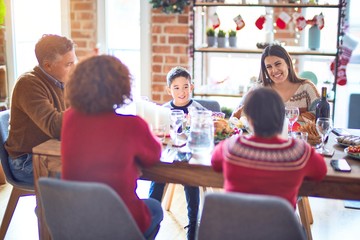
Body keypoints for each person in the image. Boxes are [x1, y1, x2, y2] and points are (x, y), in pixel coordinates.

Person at [61, 55, 163, 239]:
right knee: (155, 207)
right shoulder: (132, 125)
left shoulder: (69, 118)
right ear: (121, 87)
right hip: (119, 219)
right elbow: (154, 155)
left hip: (78, 218)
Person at [212, 87, 327, 209]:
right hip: (280, 226)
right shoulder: (299, 151)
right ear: (282, 117)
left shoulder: (231, 147)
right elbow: (321, 172)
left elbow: (215, 163)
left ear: (249, 120)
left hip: (235, 226)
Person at [5, 34, 77, 185]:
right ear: (48, 65)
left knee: (97, 165)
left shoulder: (61, 80)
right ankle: (52, 209)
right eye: (69, 64)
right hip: (26, 161)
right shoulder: (29, 85)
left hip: (50, 153)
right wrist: (84, 101)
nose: (74, 68)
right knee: (85, 173)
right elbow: (55, 127)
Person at [149, 66, 207, 240]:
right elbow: (158, 135)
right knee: (157, 179)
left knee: (191, 182)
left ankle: (193, 230)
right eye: (176, 87)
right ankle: (150, 223)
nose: (182, 91)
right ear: (169, 90)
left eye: (185, 86)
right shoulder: (163, 111)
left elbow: (203, 138)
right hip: (167, 157)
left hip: (190, 158)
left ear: (192, 87)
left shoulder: (199, 111)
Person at [232, 44, 320, 123]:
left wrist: (283, 115)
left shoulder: (307, 88)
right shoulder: (259, 89)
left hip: (300, 139)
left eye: (278, 64)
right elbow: (236, 116)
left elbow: (320, 118)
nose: (274, 70)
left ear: (288, 64)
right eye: (269, 67)